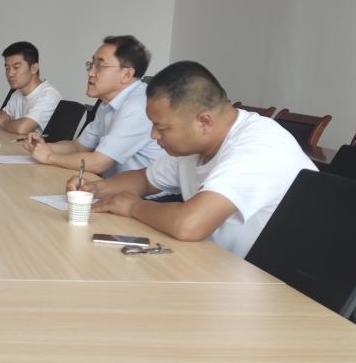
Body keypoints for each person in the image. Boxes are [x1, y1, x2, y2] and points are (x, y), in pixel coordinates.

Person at [71, 60, 316, 257]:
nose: (154, 135)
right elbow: (145, 180)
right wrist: (95, 188)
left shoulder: (258, 147)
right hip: (215, 263)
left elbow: (189, 224)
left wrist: (132, 206)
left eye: (161, 128)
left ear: (204, 121)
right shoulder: (197, 145)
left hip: (276, 285)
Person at [24, 35, 164, 175]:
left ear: (126, 74)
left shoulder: (138, 106)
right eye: (91, 64)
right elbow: (79, 146)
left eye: (100, 66)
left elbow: (99, 163)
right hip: (114, 184)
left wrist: (49, 157)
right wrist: (43, 146)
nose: (90, 73)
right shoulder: (107, 103)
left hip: (145, 189)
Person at [0, 41, 61, 135]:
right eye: (7, 68)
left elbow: (22, 128)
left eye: (16, 67)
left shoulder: (49, 95)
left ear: (34, 68)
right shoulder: (17, 93)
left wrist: (3, 123)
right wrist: (3, 121)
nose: (10, 73)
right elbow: (1, 116)